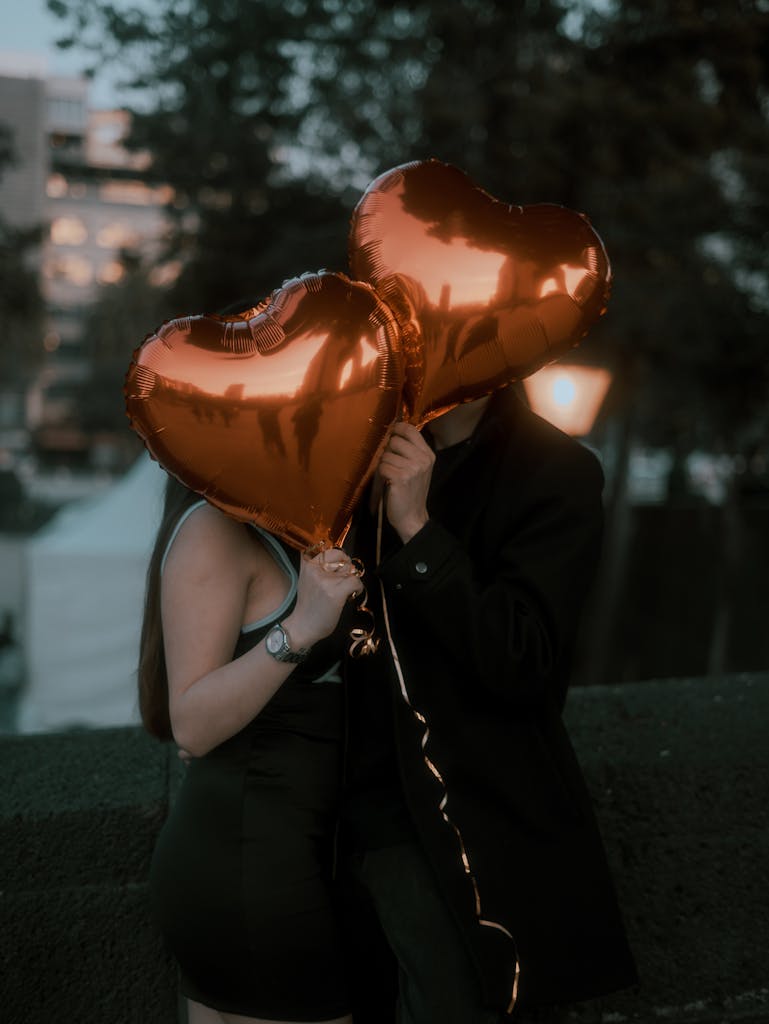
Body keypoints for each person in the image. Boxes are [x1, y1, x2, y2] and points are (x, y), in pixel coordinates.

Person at [337, 384, 639, 1023]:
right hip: (331, 817)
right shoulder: (354, 451)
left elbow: (523, 658)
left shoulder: (555, 470)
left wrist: (416, 530)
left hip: (463, 822)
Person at [140, 476, 363, 1024]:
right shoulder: (214, 526)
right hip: (249, 868)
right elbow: (191, 722)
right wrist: (302, 628)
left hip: (278, 855)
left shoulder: (294, 519)